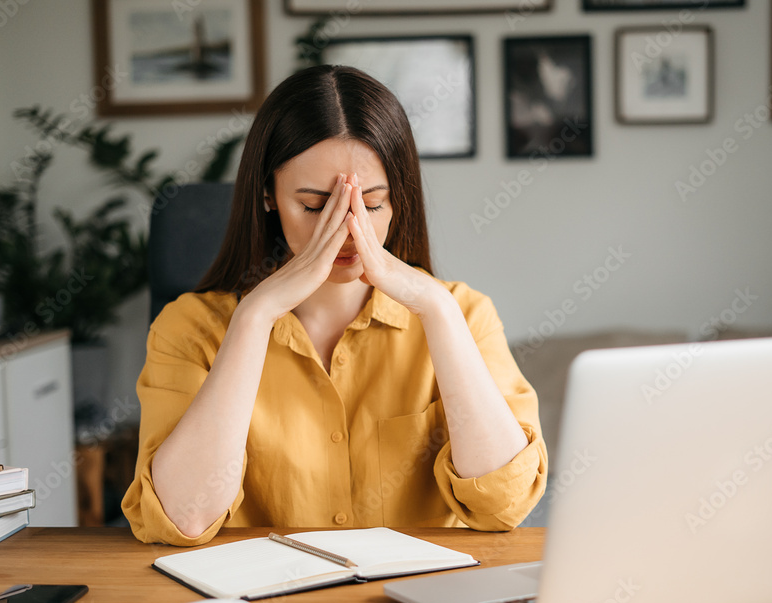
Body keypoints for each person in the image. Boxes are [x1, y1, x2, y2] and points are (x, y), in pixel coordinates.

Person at [121, 65, 547, 547]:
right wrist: (255, 318)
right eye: (313, 204)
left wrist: (436, 308)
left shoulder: (463, 314)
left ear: (400, 200)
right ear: (267, 195)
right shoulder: (189, 328)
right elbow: (183, 518)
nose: (346, 229)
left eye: (372, 204)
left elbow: (504, 506)